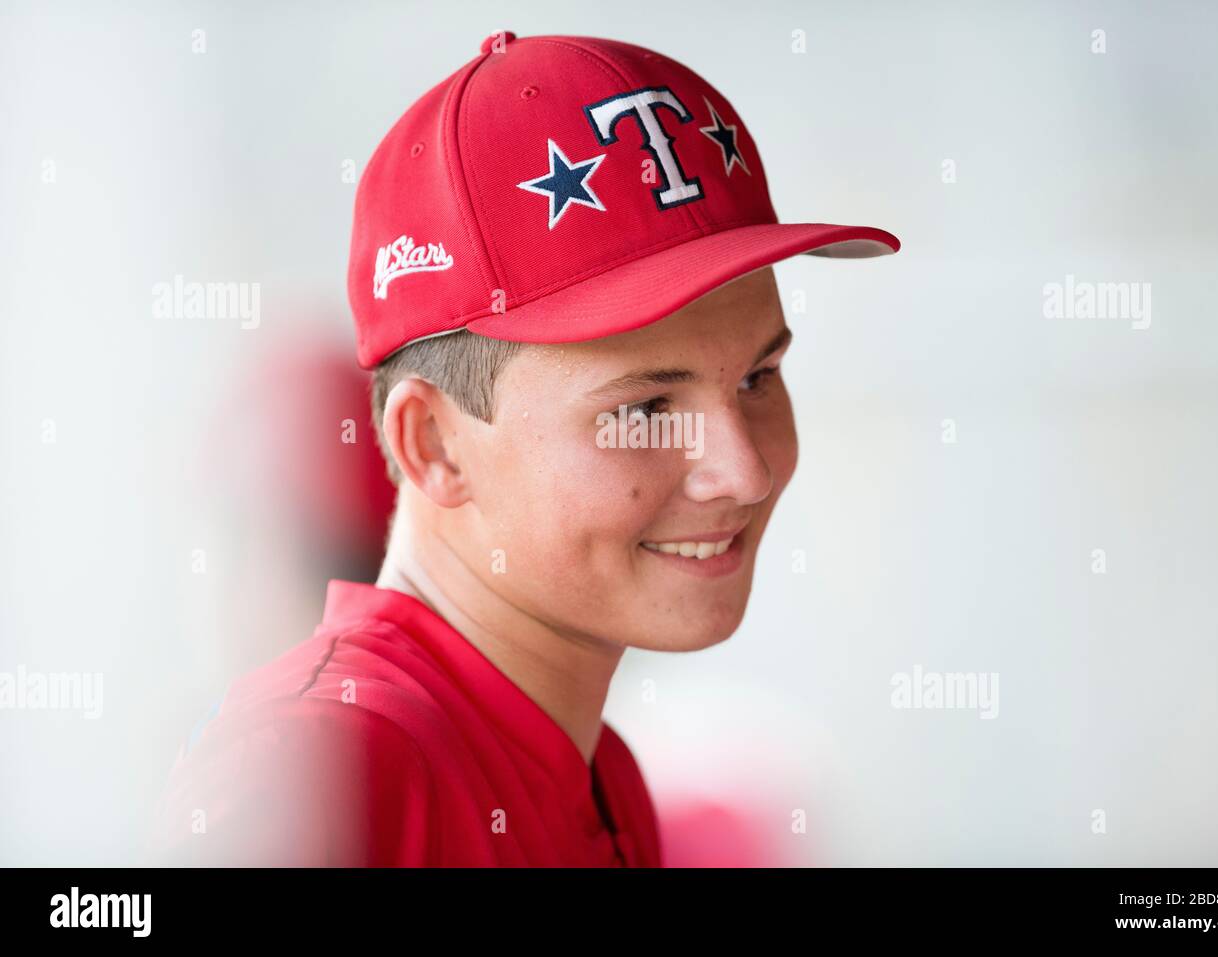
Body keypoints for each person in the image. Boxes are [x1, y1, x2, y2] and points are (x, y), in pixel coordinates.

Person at [147, 30, 898, 867]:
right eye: (647, 407)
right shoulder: (318, 758)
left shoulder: (599, 769)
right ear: (433, 444)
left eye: (758, 377)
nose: (744, 470)